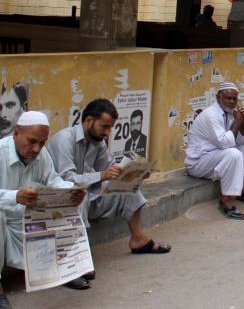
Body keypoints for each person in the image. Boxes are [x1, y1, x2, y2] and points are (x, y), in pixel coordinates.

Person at [47, 99, 172, 260]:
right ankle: (77, 259)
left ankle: (138, 239)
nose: (107, 132)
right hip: (63, 198)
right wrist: (102, 175)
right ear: (89, 121)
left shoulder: (98, 142)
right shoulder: (64, 139)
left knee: (128, 189)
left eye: (110, 127)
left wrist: (136, 174)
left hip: (88, 195)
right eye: (104, 126)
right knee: (79, 196)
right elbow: (67, 179)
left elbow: (111, 168)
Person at [0, 111, 88, 293]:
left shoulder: (42, 155)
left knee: (72, 204)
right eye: (32, 141)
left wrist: (71, 191)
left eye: (42, 143)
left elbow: (53, 181)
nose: (36, 149)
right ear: (16, 133)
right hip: (4, 223)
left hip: (27, 221)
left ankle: (64, 269)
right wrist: (15, 196)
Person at [184, 83, 244, 220]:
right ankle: (226, 200)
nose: (232, 102)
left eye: (234, 98)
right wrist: (237, 122)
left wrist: (243, 122)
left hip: (216, 155)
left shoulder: (231, 113)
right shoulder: (211, 115)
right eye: (228, 98)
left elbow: (243, 141)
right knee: (233, 154)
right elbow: (225, 143)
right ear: (218, 97)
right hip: (199, 162)